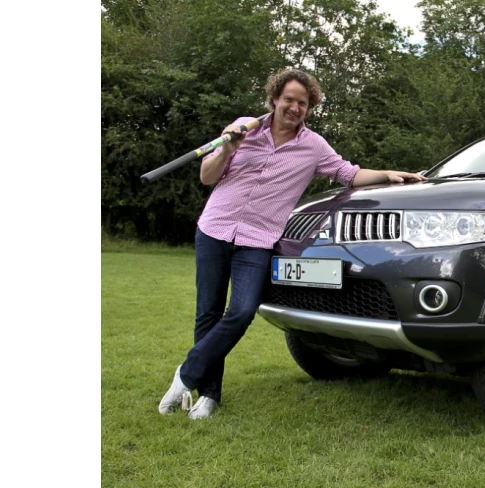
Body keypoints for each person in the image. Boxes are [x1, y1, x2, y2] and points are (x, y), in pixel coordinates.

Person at [158, 68, 424, 419]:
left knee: (240, 312)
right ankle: (209, 395)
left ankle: (185, 375)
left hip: (257, 239)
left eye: (303, 102)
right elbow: (207, 176)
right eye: (289, 100)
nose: (295, 107)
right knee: (207, 313)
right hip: (214, 229)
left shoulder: (313, 146)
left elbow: (348, 173)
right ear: (274, 100)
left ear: (309, 107)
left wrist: (388, 174)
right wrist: (228, 147)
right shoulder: (243, 128)